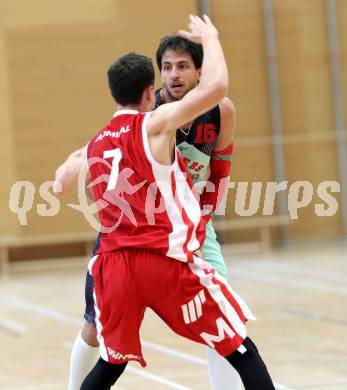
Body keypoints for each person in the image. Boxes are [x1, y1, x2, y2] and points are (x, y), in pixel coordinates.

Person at [72, 15, 275, 390]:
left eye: (183, 66)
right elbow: (94, 155)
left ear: (199, 72)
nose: (174, 75)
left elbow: (219, 172)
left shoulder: (221, 111)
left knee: (226, 326)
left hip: (189, 227)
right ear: (154, 82)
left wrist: (203, 219)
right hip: (135, 233)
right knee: (94, 327)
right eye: (166, 67)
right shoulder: (148, 116)